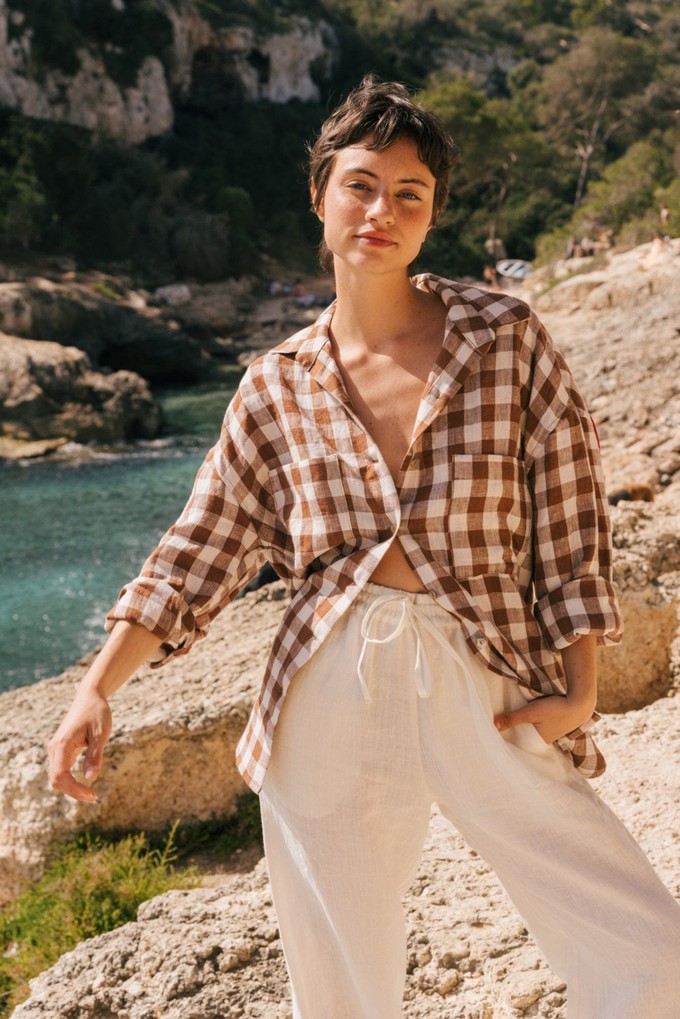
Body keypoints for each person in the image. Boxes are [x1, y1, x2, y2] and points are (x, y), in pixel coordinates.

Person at [48, 75, 680, 1018]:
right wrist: (98, 684)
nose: (382, 210)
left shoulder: (504, 337)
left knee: (646, 950)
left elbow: (570, 511)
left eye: (409, 194)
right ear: (320, 195)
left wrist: (581, 682)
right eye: (360, 185)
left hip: (486, 664)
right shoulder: (275, 385)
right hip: (329, 683)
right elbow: (202, 546)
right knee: (341, 990)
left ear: (431, 217)